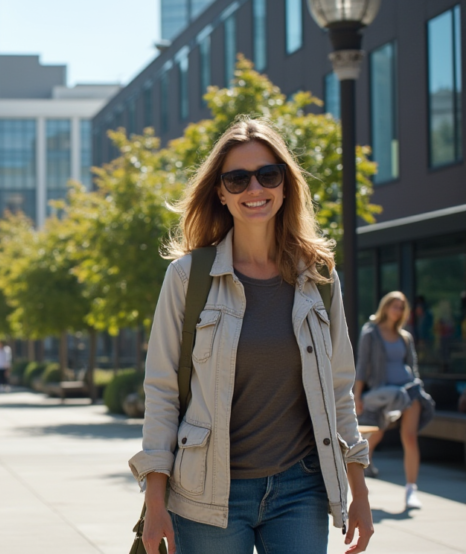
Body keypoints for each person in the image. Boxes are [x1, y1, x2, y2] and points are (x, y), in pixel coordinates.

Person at [130, 118, 373, 554]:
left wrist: (360, 491)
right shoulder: (188, 278)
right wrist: (154, 500)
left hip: (301, 488)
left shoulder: (318, 278)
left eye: (267, 175)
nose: (254, 189)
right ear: (220, 192)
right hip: (208, 494)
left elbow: (339, 390)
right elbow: (162, 392)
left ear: (285, 185)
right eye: (237, 179)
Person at [354, 291, 435, 509]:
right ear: (386, 307)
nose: (398, 311)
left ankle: (411, 490)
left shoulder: (405, 336)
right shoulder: (370, 333)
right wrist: (357, 395)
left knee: (409, 438)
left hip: (408, 393)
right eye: (394, 306)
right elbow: (362, 366)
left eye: (401, 307)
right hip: (383, 395)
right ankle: (362, 468)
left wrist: (418, 385)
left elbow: (413, 366)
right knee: (375, 434)